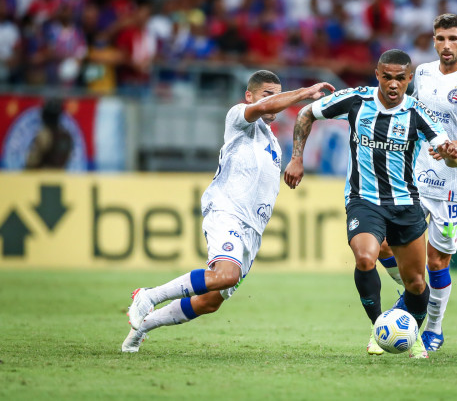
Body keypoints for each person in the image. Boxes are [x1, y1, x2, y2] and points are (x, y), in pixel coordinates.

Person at [121, 70, 334, 352]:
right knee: (225, 274)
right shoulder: (239, 117)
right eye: (267, 94)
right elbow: (263, 108)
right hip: (226, 211)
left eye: (278, 94)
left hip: (252, 232)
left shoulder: (272, 143)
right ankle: (148, 295)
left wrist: (296, 158)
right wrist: (305, 92)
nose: (274, 101)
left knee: (210, 302)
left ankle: (143, 326)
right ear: (250, 96)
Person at [283, 49, 457, 359]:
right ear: (378, 75)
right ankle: (379, 327)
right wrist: (297, 158)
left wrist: (453, 156)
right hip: (363, 200)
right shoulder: (357, 100)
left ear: (409, 80)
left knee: (417, 283)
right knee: (366, 258)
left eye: (400, 79)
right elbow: (305, 113)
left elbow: (450, 155)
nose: (393, 84)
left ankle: (415, 336)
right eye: (387, 77)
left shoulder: (418, 114)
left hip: (405, 205)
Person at [378, 14, 457, 352]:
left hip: (453, 185)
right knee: (383, 243)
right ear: (433, 40)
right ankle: (413, 294)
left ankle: (434, 329)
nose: (446, 45)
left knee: (436, 261)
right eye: (441, 38)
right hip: (415, 178)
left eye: (453, 39)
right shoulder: (424, 73)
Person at [26, 98, 73, 169]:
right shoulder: (66, 135)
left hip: (43, 177)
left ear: (44, 116)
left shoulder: (44, 134)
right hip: (61, 177)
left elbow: (32, 162)